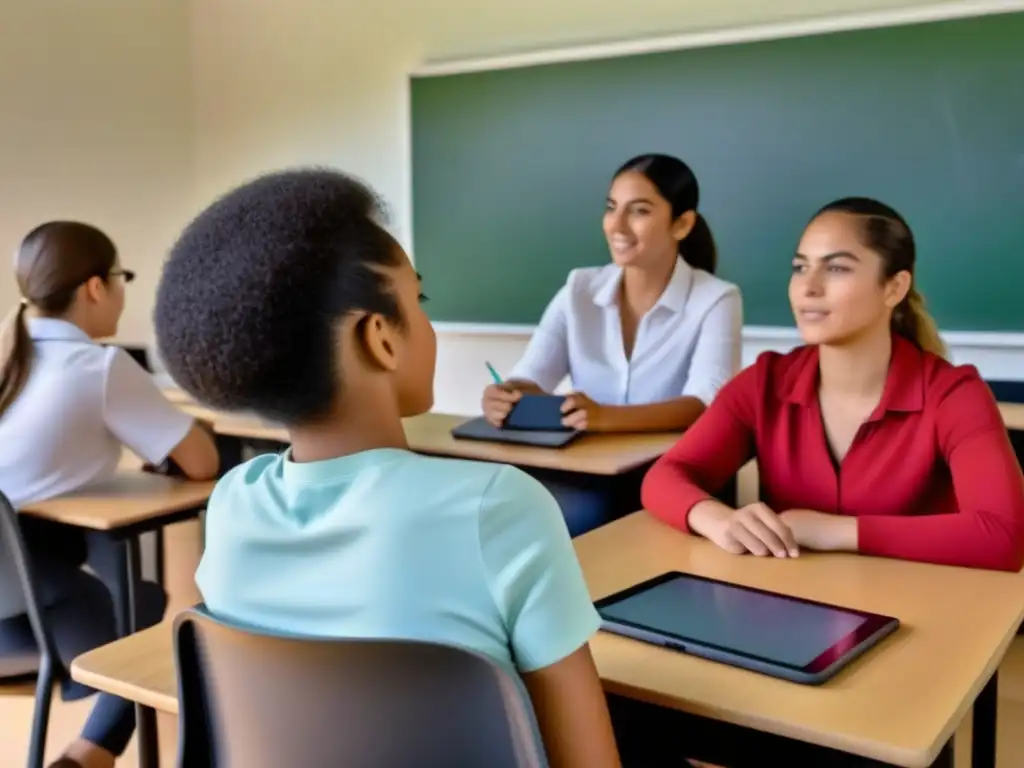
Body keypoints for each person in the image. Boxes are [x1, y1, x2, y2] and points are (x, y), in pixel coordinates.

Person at [153, 168, 622, 767]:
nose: (426, 322)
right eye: (417, 300)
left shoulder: (232, 504)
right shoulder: (496, 507)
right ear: (380, 337)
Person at [642, 197, 1024, 572]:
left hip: (930, 617)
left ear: (895, 287)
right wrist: (719, 520)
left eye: (837, 269)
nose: (808, 287)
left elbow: (1004, 535)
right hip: (795, 610)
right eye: (799, 267)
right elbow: (665, 477)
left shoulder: (955, 393)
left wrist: (832, 531)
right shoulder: (764, 382)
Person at [0, 221, 219, 768]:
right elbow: (203, 463)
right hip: (29, 601)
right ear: (95, 287)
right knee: (148, 606)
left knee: (108, 583)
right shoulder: (99, 365)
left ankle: (89, 752)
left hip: (9, 602)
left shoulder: (8, 359)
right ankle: (91, 753)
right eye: (121, 278)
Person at [481, 153, 743, 535]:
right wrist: (508, 395)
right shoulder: (579, 288)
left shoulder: (717, 298)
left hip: (668, 475)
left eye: (639, 211)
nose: (616, 225)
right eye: (611, 208)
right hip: (586, 467)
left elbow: (706, 403)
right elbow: (532, 376)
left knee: (575, 519)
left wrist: (606, 417)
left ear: (682, 223)